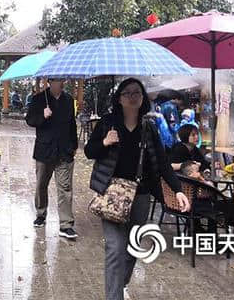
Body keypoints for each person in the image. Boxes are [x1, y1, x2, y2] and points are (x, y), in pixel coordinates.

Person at [85, 78, 189, 300]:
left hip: (140, 195)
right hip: (112, 193)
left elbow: (162, 163)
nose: (133, 96)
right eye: (127, 93)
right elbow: (89, 151)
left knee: (132, 246)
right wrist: (104, 142)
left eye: (137, 93)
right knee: (114, 248)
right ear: (119, 98)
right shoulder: (107, 123)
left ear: (143, 99)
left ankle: (120, 284)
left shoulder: (148, 128)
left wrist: (178, 189)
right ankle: (114, 296)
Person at [25, 78, 78, 239]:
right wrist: (42, 114)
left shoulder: (68, 100)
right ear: (50, 82)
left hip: (64, 151)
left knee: (65, 188)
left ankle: (66, 224)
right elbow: (30, 120)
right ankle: (41, 214)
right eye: (57, 80)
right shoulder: (39, 99)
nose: (61, 83)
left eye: (63, 80)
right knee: (42, 184)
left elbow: (72, 124)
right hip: (45, 150)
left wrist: (74, 145)